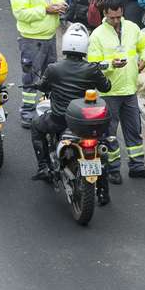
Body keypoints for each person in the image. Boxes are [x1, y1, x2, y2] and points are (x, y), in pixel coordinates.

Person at [27, 23, 111, 184]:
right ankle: (103, 190)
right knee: (103, 146)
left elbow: (44, 86)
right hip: (85, 121)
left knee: (36, 126)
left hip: (58, 120)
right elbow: (106, 87)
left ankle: (43, 166)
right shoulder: (91, 69)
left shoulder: (53, 68)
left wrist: (38, 84)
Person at [87, 0, 145, 182]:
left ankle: (137, 166)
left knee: (134, 130)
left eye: (119, 16)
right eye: (112, 18)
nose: (117, 21)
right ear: (105, 14)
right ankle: (113, 169)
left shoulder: (133, 28)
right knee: (110, 135)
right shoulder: (97, 35)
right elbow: (94, 65)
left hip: (129, 90)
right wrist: (111, 65)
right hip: (109, 93)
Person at [10, 0, 66, 128]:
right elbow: (20, 13)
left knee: (50, 76)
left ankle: (48, 108)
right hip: (32, 39)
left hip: (49, 37)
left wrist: (60, 3)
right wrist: (46, 10)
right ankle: (27, 112)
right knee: (31, 76)